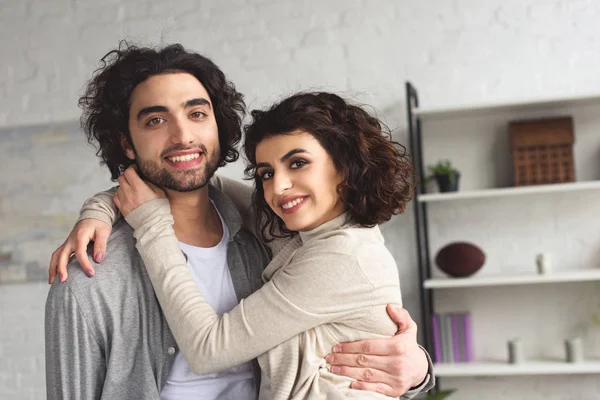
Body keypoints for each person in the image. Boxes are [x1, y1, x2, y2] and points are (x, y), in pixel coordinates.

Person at [46, 43, 433, 399]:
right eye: (155, 121)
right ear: (126, 143)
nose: (183, 135)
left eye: (197, 113)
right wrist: (101, 206)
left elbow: (209, 348)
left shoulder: (271, 241)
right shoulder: (90, 277)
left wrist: (417, 370)